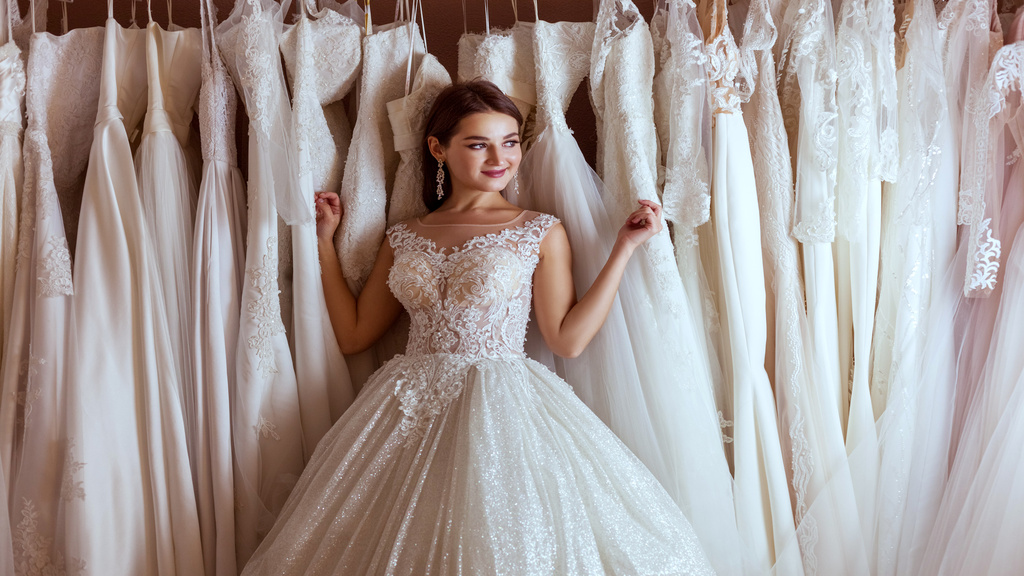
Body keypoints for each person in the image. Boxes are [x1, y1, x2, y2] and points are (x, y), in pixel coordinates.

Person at [240, 80, 715, 575]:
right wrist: (323, 243)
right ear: (437, 148)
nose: (500, 158)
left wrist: (624, 249)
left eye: (510, 142)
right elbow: (356, 334)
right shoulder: (403, 235)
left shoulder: (537, 230)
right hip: (405, 408)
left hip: (503, 409)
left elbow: (567, 339)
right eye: (478, 144)